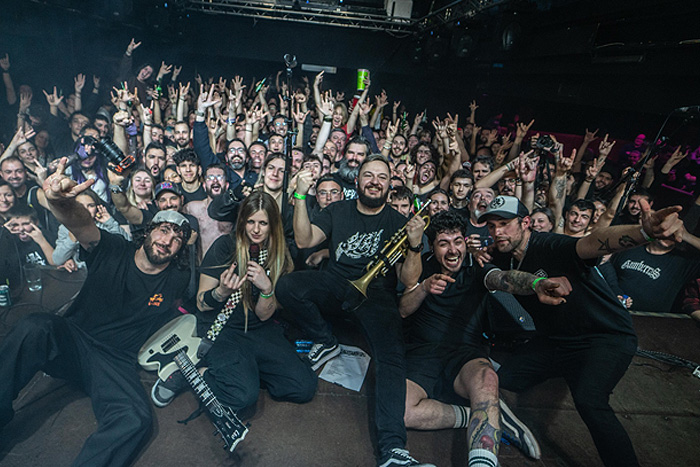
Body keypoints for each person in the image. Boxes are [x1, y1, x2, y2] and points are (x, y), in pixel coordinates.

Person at [0, 157, 191, 466]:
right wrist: (59, 202)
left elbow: (203, 302)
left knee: (135, 419)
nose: (167, 240)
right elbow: (81, 224)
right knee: (34, 325)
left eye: (177, 238)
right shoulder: (113, 248)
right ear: (148, 231)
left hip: (114, 361)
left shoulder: (178, 278)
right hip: (73, 342)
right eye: (164, 230)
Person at [478, 195, 684, 467]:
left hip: (604, 337)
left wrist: (643, 233)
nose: (497, 232)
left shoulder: (551, 244)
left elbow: (592, 242)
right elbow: (497, 277)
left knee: (589, 400)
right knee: (507, 378)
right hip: (557, 341)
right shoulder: (501, 255)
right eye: (492, 226)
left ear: (526, 223)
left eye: (504, 224)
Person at [276, 154, 431, 467]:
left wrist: (415, 245)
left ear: (389, 185)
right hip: (337, 284)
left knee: (392, 358)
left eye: (382, 177)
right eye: (369, 175)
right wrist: (301, 197)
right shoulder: (338, 210)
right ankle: (326, 341)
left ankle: (392, 449)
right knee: (288, 286)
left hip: (377, 296)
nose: (375, 182)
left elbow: (409, 280)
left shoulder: (397, 221)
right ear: (357, 181)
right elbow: (304, 240)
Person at [400, 211, 568, 465]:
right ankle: (480, 414)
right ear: (432, 246)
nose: (453, 250)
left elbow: (503, 279)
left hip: (465, 355)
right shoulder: (420, 266)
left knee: (488, 378)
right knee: (402, 412)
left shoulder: (477, 267)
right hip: (423, 354)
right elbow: (403, 310)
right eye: (444, 243)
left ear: (465, 241)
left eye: (458, 241)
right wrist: (424, 288)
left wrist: (536, 284)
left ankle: (483, 455)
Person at [152, 191, 317, 419]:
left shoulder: (279, 253)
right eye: (250, 222)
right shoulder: (225, 246)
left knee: (302, 387)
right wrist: (221, 292)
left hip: (258, 328)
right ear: (242, 222)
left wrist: (267, 289)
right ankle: (201, 372)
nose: (256, 229)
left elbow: (264, 315)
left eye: (263, 223)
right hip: (223, 328)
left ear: (272, 225)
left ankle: (242, 371)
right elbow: (201, 304)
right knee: (241, 397)